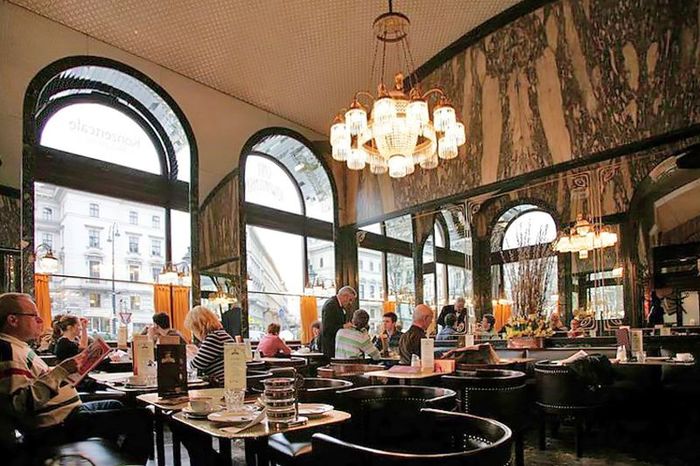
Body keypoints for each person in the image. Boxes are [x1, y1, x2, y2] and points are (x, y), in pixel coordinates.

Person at [0, 293, 151, 462]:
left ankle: (111, 458)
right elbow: (19, 404)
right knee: (142, 418)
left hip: (68, 414)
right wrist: (61, 371)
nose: (40, 320)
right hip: (56, 426)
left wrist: (63, 373)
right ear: (13, 320)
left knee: (116, 405)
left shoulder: (18, 347)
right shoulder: (8, 351)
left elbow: (36, 380)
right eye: (34, 315)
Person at [184, 305, 234, 386]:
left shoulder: (214, 338)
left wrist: (189, 355)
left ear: (199, 327)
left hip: (221, 385)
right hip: (229, 383)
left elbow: (195, 366)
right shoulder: (221, 335)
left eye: (193, 330)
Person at [320, 286, 356, 358]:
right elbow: (327, 328)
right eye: (350, 300)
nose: (350, 303)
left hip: (335, 345)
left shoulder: (337, 305)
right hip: (330, 346)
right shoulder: (331, 305)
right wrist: (343, 326)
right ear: (345, 296)